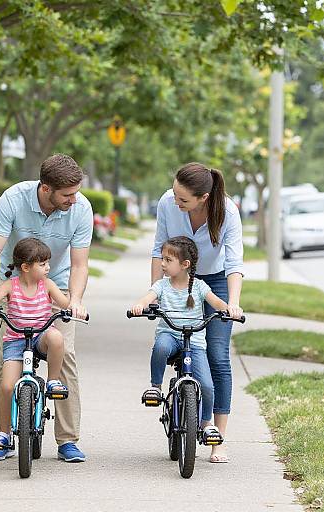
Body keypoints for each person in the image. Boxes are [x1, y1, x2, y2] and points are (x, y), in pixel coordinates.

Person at [0, 154, 93, 463]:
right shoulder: (14, 199)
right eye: (67, 194)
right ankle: (4, 435)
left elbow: (80, 264)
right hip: (14, 285)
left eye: (76, 192)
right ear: (45, 188)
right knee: (7, 365)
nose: (74, 199)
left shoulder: (81, 209)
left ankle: (67, 440)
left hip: (57, 285)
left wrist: (75, 300)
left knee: (64, 355)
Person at [152, 162, 243, 463]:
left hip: (214, 281)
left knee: (217, 355)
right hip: (177, 280)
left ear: (203, 197)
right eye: (176, 194)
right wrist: (156, 291)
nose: (175, 201)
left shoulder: (227, 211)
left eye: (183, 199)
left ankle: (217, 437)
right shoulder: (167, 202)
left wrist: (232, 303)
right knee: (172, 342)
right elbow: (158, 250)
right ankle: (178, 404)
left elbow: (234, 262)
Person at [131, 236, 228, 444]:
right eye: (163, 259)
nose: (163, 264)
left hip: (195, 342)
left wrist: (229, 309)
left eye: (168, 260)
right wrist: (140, 305)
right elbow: (147, 298)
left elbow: (217, 302)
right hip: (170, 334)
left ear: (185, 265)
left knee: (208, 386)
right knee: (160, 347)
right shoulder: (162, 286)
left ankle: (206, 423)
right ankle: (155, 387)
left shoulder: (200, 287)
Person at [0, 238, 72, 457]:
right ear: (25, 267)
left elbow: (65, 304)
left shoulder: (48, 285)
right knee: (6, 386)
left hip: (40, 337)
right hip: (16, 340)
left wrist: (75, 307)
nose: (48, 268)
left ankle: (52, 381)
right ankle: (4, 434)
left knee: (56, 337)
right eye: (42, 264)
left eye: (47, 263)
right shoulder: (9, 286)